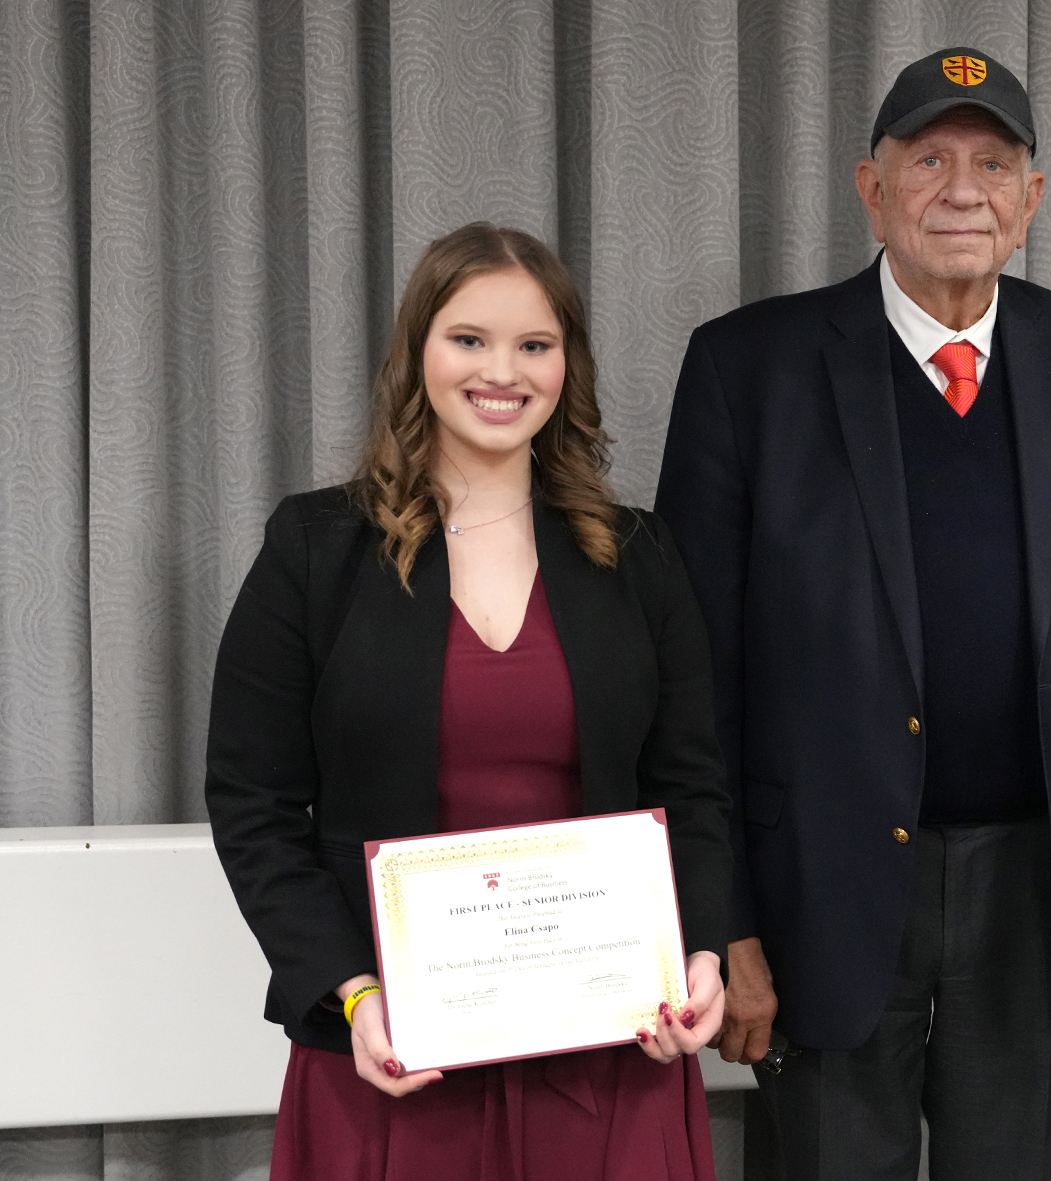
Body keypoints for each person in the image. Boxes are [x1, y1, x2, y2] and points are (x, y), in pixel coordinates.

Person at [653, 46, 1051, 1181]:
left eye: (994, 163)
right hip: (822, 888)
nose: (964, 190)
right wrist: (721, 920)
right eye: (932, 159)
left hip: (1042, 889)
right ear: (870, 185)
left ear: (1034, 198)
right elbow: (690, 678)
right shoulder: (746, 369)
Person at [204, 223, 732, 1180]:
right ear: (418, 355)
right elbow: (254, 804)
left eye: (535, 344)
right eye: (469, 339)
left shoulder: (640, 556)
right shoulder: (315, 551)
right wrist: (355, 995)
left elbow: (693, 789)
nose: (504, 371)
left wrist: (698, 953)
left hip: (610, 1056)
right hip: (392, 1063)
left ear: (567, 363)